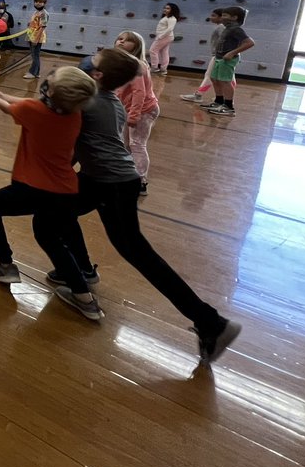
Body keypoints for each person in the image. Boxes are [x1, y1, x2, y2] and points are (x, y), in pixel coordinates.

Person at [49, 47, 242, 363]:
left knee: (137, 252)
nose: (88, 61)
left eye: (94, 62)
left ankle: (211, 322)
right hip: (101, 179)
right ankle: (78, 272)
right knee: (53, 217)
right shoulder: (109, 99)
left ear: (98, 75)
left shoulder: (91, 102)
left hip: (112, 185)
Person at [0, 68, 98, 309]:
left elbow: (8, 107)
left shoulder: (32, 111)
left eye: (51, 80)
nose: (48, 78)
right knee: (50, 240)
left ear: (52, 92)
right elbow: (30, 104)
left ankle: (6, 265)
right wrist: (5, 94)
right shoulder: (75, 113)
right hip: (65, 191)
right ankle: (84, 296)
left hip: (32, 188)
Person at [113, 31, 159, 196]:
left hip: (143, 110)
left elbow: (139, 93)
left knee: (137, 144)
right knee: (125, 144)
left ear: (136, 46)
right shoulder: (121, 63)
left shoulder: (136, 65)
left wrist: (134, 115)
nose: (121, 42)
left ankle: (141, 181)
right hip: (128, 109)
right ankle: (127, 175)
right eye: (119, 39)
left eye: (127, 40)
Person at [206, 6, 255, 117]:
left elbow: (250, 43)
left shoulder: (236, 29)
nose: (222, 17)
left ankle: (229, 107)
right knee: (214, 79)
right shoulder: (227, 28)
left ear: (234, 17)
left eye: (225, 15)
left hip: (228, 59)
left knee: (225, 81)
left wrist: (232, 53)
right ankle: (218, 101)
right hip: (219, 58)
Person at [181, 9, 226, 103]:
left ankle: (199, 95)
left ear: (221, 17)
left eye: (213, 15)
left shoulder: (221, 27)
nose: (211, 17)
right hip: (220, 55)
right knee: (223, 78)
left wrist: (220, 54)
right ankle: (224, 98)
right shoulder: (221, 27)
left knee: (209, 75)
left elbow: (225, 42)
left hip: (219, 56)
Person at [149, 2, 180, 76]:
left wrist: (160, 36)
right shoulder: (166, 17)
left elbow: (170, 29)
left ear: (173, 10)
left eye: (168, 8)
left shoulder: (172, 18)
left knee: (152, 50)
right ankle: (163, 69)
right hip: (166, 37)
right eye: (165, 8)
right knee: (164, 52)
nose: (165, 9)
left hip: (165, 37)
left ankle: (154, 68)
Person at [24, 0, 49, 78]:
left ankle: (33, 73)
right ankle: (36, 73)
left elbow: (42, 27)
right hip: (32, 34)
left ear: (44, 3)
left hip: (37, 36)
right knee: (35, 55)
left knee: (35, 55)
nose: (38, 3)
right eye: (36, 2)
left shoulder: (43, 13)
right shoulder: (36, 12)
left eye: (40, 2)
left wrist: (36, 39)